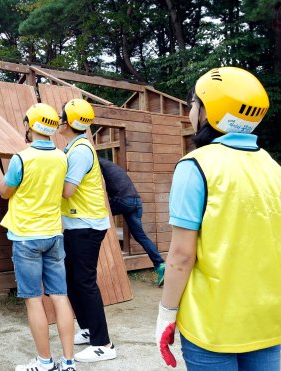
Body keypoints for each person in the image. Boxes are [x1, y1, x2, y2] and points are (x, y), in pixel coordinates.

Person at [156, 67, 281, 370]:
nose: (190, 111)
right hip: (267, 323)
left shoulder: (195, 165)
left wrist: (166, 313)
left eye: (193, 104)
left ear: (208, 111)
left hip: (210, 326)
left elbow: (182, 255)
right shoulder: (273, 168)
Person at [0, 103, 76, 371]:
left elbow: (4, 191)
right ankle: (68, 362)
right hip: (54, 235)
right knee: (60, 296)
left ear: (30, 126)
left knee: (34, 299)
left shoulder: (22, 158)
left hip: (27, 237)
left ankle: (44, 363)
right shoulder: (62, 157)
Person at [57, 98, 116, 363]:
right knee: (72, 280)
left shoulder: (80, 150)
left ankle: (103, 344)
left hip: (86, 225)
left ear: (68, 122)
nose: (58, 121)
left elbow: (67, 191)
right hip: (77, 224)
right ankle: (88, 329)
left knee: (84, 282)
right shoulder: (74, 147)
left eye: (61, 116)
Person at [98, 157, 166, 286]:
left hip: (123, 200)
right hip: (136, 201)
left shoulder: (96, 163)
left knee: (96, 213)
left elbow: (100, 185)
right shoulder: (111, 165)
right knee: (140, 236)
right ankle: (160, 264)